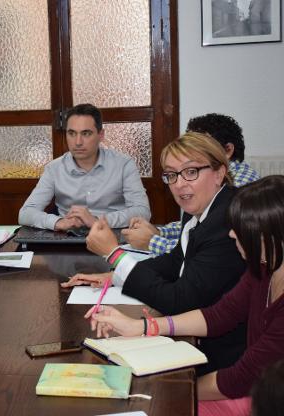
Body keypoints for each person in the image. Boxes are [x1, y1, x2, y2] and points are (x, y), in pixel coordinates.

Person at [83, 175, 284, 415]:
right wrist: (142, 326)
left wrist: (171, 390)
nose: (231, 234)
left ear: (273, 236)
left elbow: (239, 380)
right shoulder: (262, 268)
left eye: (241, 229)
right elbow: (220, 315)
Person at [62, 132, 247, 373]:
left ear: (219, 173)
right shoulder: (201, 208)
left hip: (224, 358)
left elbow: (180, 301)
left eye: (191, 172)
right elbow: (174, 262)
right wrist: (114, 275)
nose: (179, 184)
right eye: (171, 175)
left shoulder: (226, 221)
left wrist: (114, 254)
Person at [123, 113, 260, 254]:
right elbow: (197, 226)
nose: (179, 184)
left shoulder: (241, 188)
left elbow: (208, 248)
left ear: (228, 150)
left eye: (200, 146)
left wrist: (151, 241)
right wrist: (159, 232)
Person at [18, 103, 150, 231]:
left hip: (112, 233)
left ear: (101, 135)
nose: (78, 142)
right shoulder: (54, 168)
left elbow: (142, 212)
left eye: (86, 133)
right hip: (68, 236)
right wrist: (58, 222)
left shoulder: (124, 164)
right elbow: (25, 213)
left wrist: (97, 220)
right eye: (72, 133)